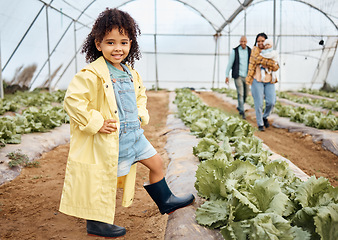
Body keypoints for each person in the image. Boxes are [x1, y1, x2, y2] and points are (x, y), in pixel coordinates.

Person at [59, 8, 194, 238]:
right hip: (113, 138)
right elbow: (73, 101)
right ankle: (97, 222)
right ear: (98, 44)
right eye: (110, 42)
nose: (118, 48)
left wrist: (141, 114)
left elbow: (140, 95)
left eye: (123, 42)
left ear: (131, 43)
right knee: (104, 180)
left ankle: (167, 200)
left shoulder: (131, 73)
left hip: (135, 135)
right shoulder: (92, 74)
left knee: (157, 163)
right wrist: (96, 122)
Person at [246, 33, 280, 131]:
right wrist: (271, 63)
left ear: (266, 41)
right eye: (258, 41)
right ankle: (260, 124)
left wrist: (270, 64)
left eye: (262, 41)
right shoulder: (255, 50)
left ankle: (265, 116)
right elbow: (257, 59)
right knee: (259, 103)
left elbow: (276, 66)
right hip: (257, 80)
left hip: (269, 80)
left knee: (271, 102)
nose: (260, 43)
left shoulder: (271, 51)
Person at [225, 36, 251, 119]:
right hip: (238, 75)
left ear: (246, 42)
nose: (243, 43)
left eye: (244, 41)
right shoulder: (235, 51)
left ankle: (240, 106)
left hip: (246, 76)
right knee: (240, 93)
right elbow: (230, 64)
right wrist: (227, 75)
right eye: (241, 41)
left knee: (246, 94)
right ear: (239, 42)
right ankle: (242, 111)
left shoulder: (250, 51)